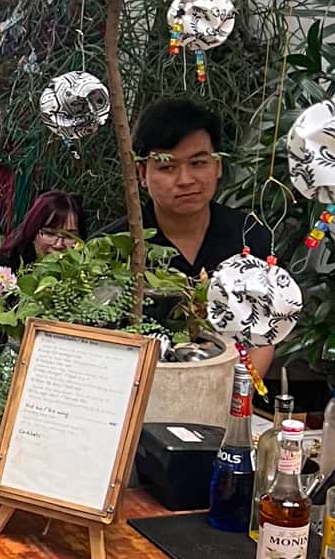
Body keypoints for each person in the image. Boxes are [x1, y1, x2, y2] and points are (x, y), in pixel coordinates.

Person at [99, 95, 275, 375]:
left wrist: (234, 398)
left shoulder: (250, 237)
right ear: (141, 173)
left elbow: (263, 335)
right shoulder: (110, 247)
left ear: (218, 166)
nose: (185, 179)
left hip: (228, 393)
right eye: (167, 167)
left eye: (198, 163)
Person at [0, 191, 86, 353]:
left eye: (69, 236)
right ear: (33, 232)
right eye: (50, 233)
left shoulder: (82, 278)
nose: (59, 244)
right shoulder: (3, 272)